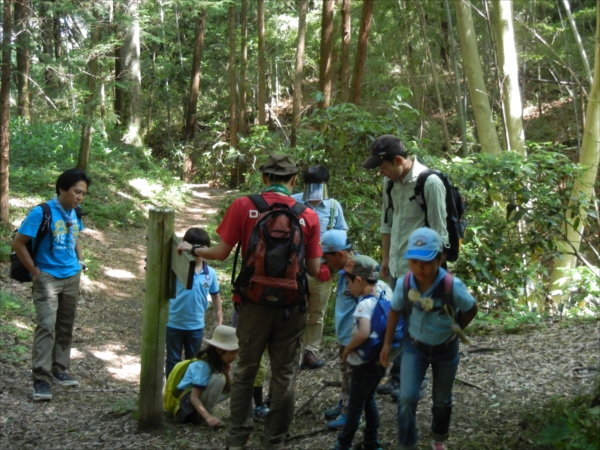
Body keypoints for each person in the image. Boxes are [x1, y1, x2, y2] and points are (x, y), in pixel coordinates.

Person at [177, 153, 321, 450]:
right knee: (284, 376)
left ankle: (237, 439)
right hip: (291, 309)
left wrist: (193, 250)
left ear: (265, 178)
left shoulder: (245, 205)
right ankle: (274, 441)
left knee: (245, 370)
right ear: (294, 181)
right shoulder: (307, 215)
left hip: (253, 304)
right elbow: (314, 269)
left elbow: (221, 253)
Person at [362, 135, 448, 399]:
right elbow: (388, 223)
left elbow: (440, 234)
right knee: (398, 324)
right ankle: (398, 377)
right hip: (397, 266)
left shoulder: (429, 183)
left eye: (383, 166)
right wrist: (386, 259)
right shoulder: (391, 183)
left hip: (418, 270)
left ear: (398, 160)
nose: (381, 172)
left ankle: (415, 382)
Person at [380, 228, 478, 450]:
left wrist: (457, 329)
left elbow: (471, 308)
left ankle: (438, 439)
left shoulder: (451, 286)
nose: (419, 268)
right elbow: (394, 310)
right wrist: (386, 344)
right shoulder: (406, 283)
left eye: (426, 261)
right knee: (406, 398)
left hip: (446, 350)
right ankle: (406, 444)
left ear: (439, 259)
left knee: (442, 400)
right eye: (414, 262)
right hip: (415, 347)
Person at [12, 168, 91, 401]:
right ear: (61, 189)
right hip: (47, 277)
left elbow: (75, 235)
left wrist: (80, 260)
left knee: (65, 325)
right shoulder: (42, 212)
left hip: (71, 276)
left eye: (83, 194)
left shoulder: (74, 212)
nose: (80, 197)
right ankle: (41, 379)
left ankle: (59, 369)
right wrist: (35, 271)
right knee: (47, 325)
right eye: (77, 192)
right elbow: (19, 243)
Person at [320, 230, 393, 431]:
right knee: (346, 373)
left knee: (354, 376)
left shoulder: (358, 273)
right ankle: (344, 402)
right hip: (346, 336)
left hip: (356, 340)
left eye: (326, 257)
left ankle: (350, 413)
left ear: (340, 255)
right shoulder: (347, 271)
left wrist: (357, 341)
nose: (324, 262)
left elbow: (371, 307)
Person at [291, 165, 348, 369]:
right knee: (294, 312)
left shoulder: (333, 206)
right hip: (294, 270)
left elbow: (343, 235)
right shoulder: (294, 202)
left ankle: (311, 352)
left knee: (317, 314)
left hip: (322, 269)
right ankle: (293, 354)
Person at [331, 255, 387, 450]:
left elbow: (363, 332)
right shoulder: (384, 294)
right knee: (369, 400)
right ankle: (372, 441)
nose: (347, 287)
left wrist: (348, 348)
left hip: (364, 363)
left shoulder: (364, 304)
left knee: (355, 408)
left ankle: (343, 444)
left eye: (348, 282)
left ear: (359, 280)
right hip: (379, 361)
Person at [166, 227, 223, 379]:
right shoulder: (178, 269)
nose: (197, 253)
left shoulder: (209, 273)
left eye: (202, 249)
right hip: (173, 323)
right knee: (173, 360)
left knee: (192, 361)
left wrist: (219, 320)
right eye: (193, 248)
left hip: (196, 326)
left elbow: (216, 296)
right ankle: (171, 394)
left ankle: (188, 394)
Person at [174, 325, 239, 427]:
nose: (235, 357)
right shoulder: (203, 366)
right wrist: (208, 417)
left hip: (193, 402)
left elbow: (231, 390)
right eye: (233, 352)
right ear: (219, 350)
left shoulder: (216, 362)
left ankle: (205, 413)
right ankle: (206, 415)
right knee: (219, 378)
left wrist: (226, 372)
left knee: (223, 380)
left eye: (237, 352)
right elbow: (193, 397)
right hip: (187, 406)